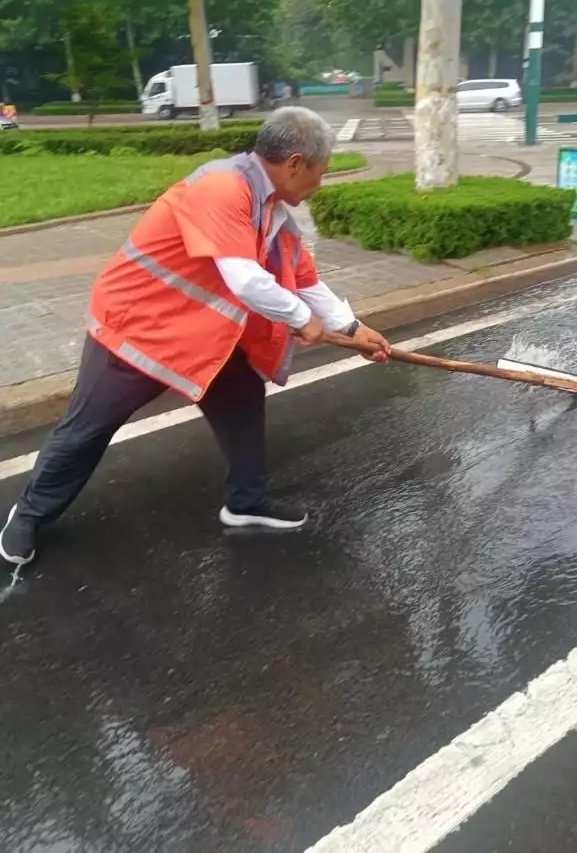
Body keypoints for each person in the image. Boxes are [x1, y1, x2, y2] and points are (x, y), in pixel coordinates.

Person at [1, 107, 390, 566]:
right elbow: (245, 279)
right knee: (89, 427)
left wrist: (353, 327)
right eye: (320, 174)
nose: (320, 184)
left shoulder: (275, 213)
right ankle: (28, 513)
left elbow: (303, 281)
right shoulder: (222, 188)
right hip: (137, 329)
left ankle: (245, 501)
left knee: (243, 396)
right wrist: (301, 319)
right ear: (294, 163)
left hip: (204, 339)